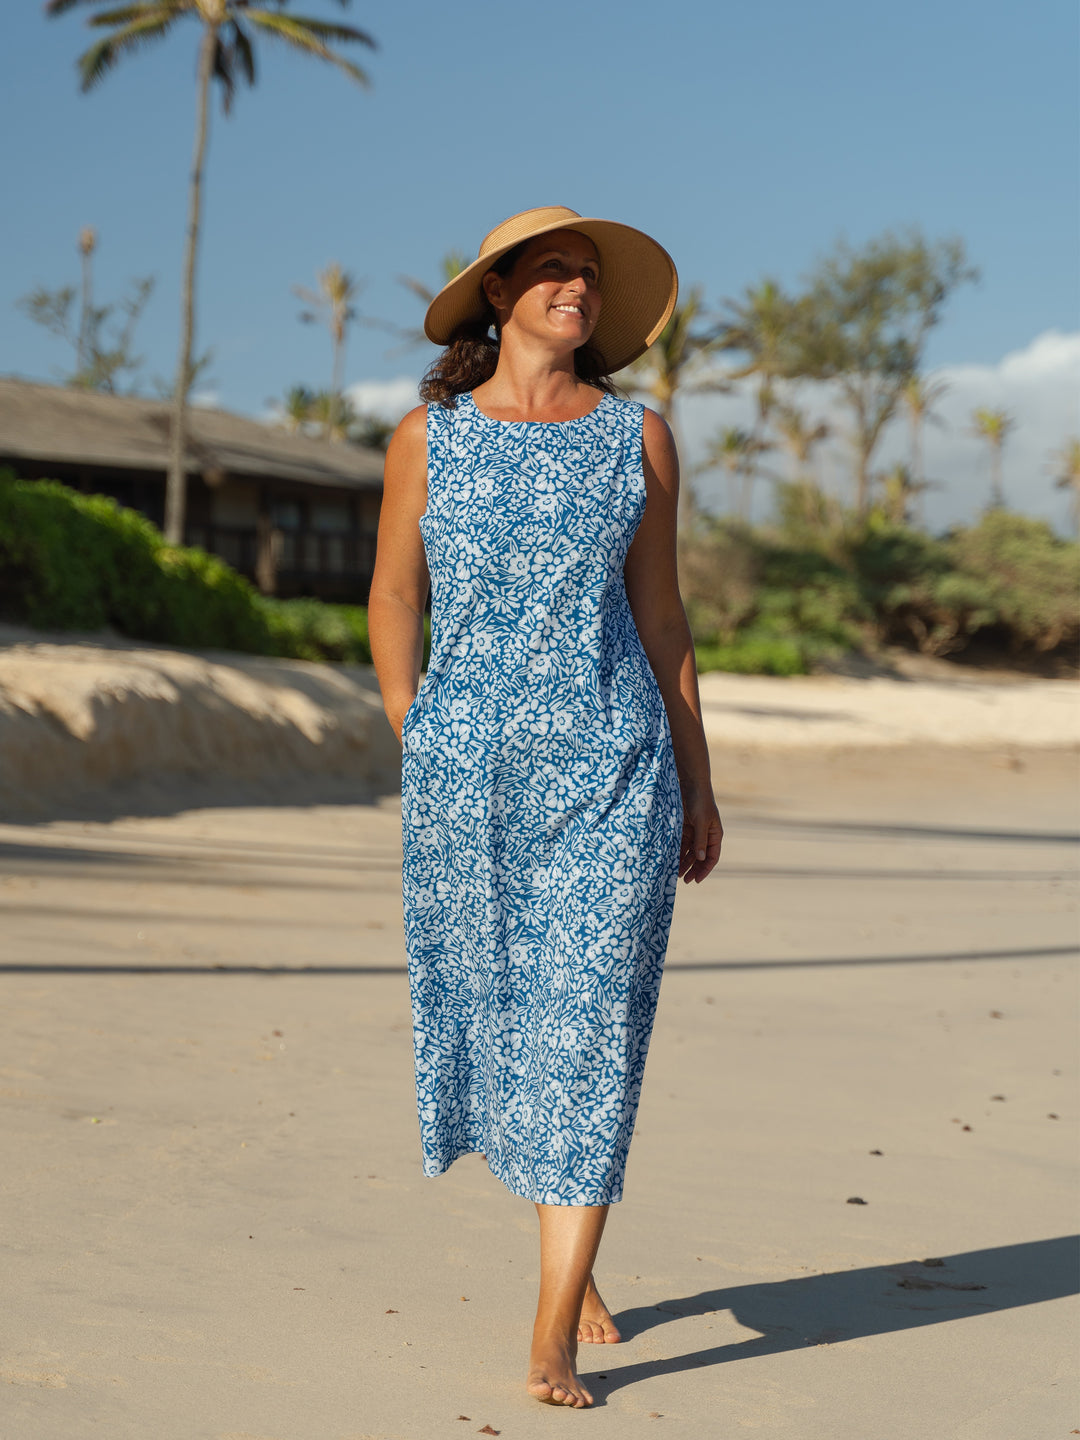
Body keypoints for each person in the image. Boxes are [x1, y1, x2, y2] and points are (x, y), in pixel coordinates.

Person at [368, 205, 723, 1409]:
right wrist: (417, 725)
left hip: (616, 772)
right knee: (506, 1023)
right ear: (499, 292)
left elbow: (663, 617)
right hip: (468, 779)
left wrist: (698, 778)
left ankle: (550, 1333)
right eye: (555, 271)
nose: (578, 288)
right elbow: (394, 595)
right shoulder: (428, 438)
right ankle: (575, 1255)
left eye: (590, 277)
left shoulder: (638, 437)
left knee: (590, 1027)